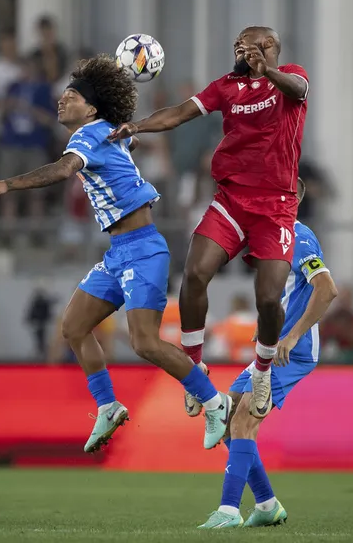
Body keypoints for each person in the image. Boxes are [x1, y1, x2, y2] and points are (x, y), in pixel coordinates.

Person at [0, 55, 231, 453]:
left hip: (144, 249)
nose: (62, 100)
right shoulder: (108, 131)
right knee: (73, 327)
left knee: (144, 343)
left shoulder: (85, 136)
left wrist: (7, 185)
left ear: (91, 108)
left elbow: (62, 171)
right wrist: (129, 138)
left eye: (71, 96)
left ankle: (216, 403)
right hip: (119, 251)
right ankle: (108, 406)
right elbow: (129, 140)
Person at [110, 26, 310, 420]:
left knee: (269, 297)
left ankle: (264, 370)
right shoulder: (226, 87)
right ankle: (195, 366)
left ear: (267, 47)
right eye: (235, 42)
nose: (237, 47)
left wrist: (265, 71)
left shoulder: (289, 75)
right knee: (196, 272)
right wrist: (139, 125)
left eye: (246, 42)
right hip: (231, 200)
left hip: (275, 206)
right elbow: (180, 113)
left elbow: (298, 91)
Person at [198, 179, 337, 529]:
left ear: (289, 199)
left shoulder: (299, 237)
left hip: (292, 351)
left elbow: (327, 289)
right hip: (269, 350)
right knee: (230, 422)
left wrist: (292, 337)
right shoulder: (272, 236)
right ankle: (267, 504)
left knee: (243, 420)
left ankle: (228, 510)